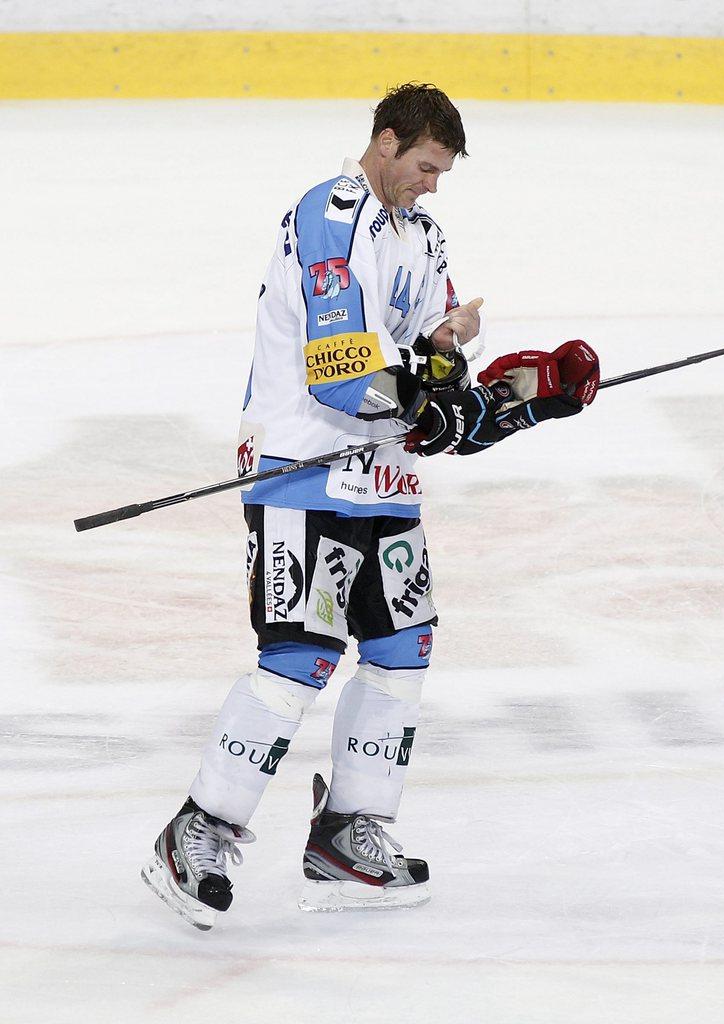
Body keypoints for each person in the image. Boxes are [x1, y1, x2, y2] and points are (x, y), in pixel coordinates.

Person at [141, 83, 599, 929]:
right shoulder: (331, 215)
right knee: (302, 653)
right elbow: (342, 372)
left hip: (381, 479)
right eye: (425, 166)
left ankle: (348, 836)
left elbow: (431, 384)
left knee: (401, 649)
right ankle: (196, 831)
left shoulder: (423, 235)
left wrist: (517, 396)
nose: (432, 185)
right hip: (303, 466)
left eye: (442, 173)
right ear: (385, 143)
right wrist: (433, 404)